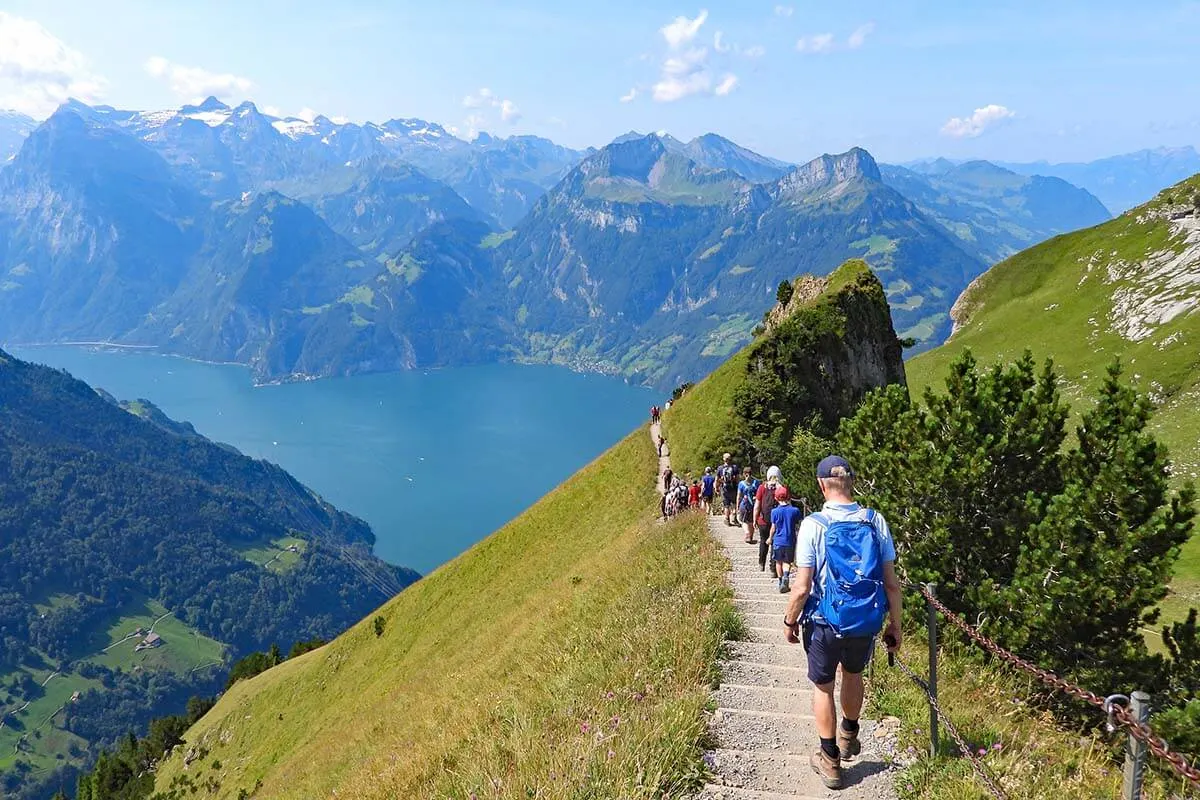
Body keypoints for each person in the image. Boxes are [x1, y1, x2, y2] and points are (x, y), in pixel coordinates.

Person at [783, 455, 902, 790]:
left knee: (823, 686)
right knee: (853, 674)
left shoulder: (813, 525)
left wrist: (789, 621)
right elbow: (891, 582)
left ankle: (830, 760)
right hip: (865, 619)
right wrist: (895, 625)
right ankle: (849, 734)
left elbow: (803, 586)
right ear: (852, 482)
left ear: (822, 485)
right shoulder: (875, 521)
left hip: (824, 621)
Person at [769, 484, 800, 593]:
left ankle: (781, 581)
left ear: (776, 498)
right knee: (787, 561)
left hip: (778, 540)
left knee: (778, 561)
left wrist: (769, 538)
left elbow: (773, 527)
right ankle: (786, 576)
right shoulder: (795, 510)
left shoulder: (774, 512)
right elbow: (797, 524)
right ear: (788, 497)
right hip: (790, 540)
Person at [753, 466, 784, 572]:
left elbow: (757, 505)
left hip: (763, 520)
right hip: (777, 521)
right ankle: (773, 569)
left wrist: (754, 519)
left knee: (763, 541)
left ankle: (761, 564)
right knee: (775, 544)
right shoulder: (781, 488)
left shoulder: (762, 487)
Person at [736, 467, 759, 544]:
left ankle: (747, 534)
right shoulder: (756, 482)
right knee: (752, 521)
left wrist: (737, 507)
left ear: (744, 474)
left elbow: (739, 496)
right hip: (754, 504)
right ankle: (750, 537)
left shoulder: (741, 483)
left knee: (743, 521)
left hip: (744, 504)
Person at [717, 453, 739, 527]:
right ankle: (734, 518)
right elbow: (737, 479)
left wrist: (716, 488)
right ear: (730, 459)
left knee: (726, 505)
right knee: (734, 504)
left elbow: (717, 479)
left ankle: (727, 519)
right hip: (733, 488)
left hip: (724, 489)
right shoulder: (734, 467)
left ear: (724, 459)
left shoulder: (720, 468)